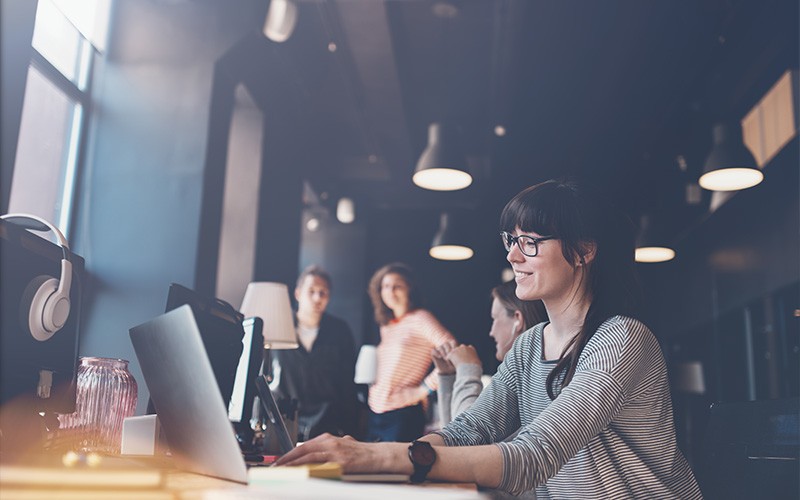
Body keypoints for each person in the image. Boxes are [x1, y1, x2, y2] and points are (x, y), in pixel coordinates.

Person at [277, 180, 703, 499]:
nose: (513, 255)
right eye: (511, 241)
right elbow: (469, 430)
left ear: (584, 251)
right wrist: (373, 455)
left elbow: (531, 456)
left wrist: (379, 456)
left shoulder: (621, 338)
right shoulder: (529, 345)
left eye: (530, 242)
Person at [432, 280, 547, 424]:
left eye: (494, 319)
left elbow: (467, 437)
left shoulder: (525, 385)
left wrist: (468, 368)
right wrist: (447, 377)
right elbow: (452, 438)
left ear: (517, 319)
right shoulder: (519, 376)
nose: (491, 332)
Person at [364, 262, 456, 442]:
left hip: (403, 413)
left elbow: (452, 350)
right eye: (385, 286)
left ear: (410, 289)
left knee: (396, 470)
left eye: (397, 286)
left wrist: (424, 389)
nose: (390, 291)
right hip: (376, 413)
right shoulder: (387, 325)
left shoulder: (420, 319)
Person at [270, 265, 359, 441]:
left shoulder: (340, 331)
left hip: (328, 427)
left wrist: (349, 430)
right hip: (284, 423)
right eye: (311, 291)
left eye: (323, 292)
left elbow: (347, 384)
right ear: (298, 293)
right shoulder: (280, 325)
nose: (317, 298)